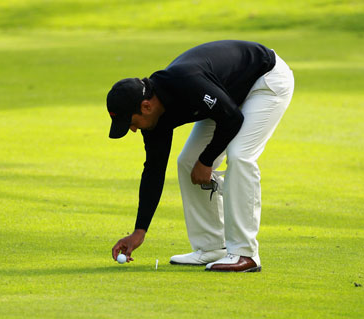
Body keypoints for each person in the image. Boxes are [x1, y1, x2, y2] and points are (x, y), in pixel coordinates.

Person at [108, 40, 294, 272]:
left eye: (132, 123)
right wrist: (139, 230)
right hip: (229, 95)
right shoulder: (154, 119)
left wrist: (207, 161)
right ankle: (212, 247)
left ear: (146, 106)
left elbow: (232, 119)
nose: (134, 130)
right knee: (187, 163)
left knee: (240, 155)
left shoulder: (186, 82)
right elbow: (154, 170)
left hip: (265, 79)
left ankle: (246, 254)